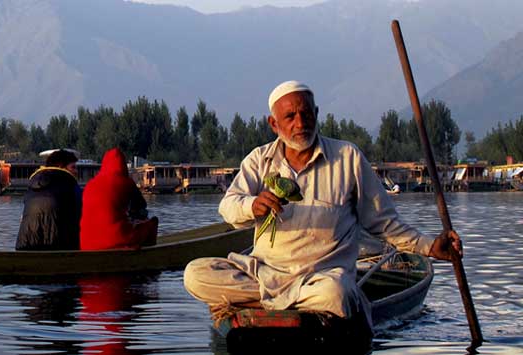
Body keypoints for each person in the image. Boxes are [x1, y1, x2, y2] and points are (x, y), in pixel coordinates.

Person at [183, 80, 462, 325]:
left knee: (337, 293)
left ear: (316, 114)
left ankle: (256, 306)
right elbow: (228, 207)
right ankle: (286, 305)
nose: (300, 123)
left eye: (306, 114)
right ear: (274, 124)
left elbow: (384, 223)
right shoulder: (259, 160)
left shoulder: (347, 157)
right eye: (290, 116)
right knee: (195, 274)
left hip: (323, 279)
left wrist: (430, 247)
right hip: (265, 276)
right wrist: (252, 205)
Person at [80, 148, 157, 250]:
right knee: (152, 223)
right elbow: (141, 206)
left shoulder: (89, 185)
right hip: (115, 241)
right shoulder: (126, 182)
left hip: (86, 245)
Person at [16, 149, 82, 250]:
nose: (76, 171)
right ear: (60, 166)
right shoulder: (70, 185)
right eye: (73, 167)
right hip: (58, 250)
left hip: (25, 248)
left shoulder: (32, 185)